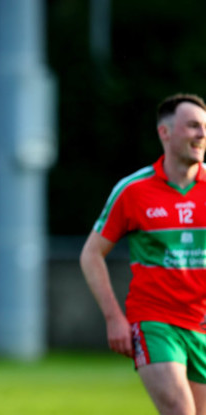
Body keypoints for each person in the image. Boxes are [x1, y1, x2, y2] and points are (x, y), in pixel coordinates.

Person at [80, 93, 206, 415]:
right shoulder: (134, 189)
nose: (202, 135)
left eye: (204, 127)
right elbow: (91, 254)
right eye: (192, 126)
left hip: (201, 323)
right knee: (180, 410)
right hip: (155, 321)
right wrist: (114, 319)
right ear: (165, 133)